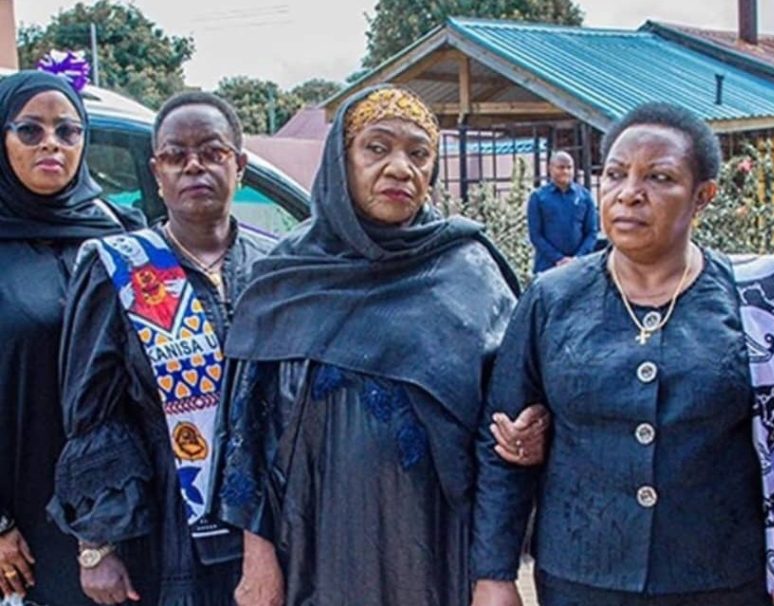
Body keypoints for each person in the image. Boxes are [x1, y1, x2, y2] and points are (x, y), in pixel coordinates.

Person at [471, 103, 774, 606]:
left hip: (721, 577)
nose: (629, 193)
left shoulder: (758, 301)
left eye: (659, 177)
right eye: (615, 174)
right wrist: (493, 573)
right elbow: (502, 439)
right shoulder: (552, 299)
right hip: (582, 576)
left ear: (703, 196)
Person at [218, 86, 542, 606]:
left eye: (418, 153)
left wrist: (494, 573)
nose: (399, 168)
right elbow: (247, 436)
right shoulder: (286, 278)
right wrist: (257, 559)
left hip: (437, 555)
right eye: (376, 147)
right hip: (310, 553)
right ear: (340, 159)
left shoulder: (471, 276)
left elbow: (506, 435)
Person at [48, 91, 274, 606]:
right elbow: (92, 413)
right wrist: (96, 545)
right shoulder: (121, 269)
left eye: (212, 152)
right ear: (157, 172)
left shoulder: (277, 267)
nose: (194, 166)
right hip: (167, 522)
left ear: (239, 165)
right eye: (176, 155)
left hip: (269, 518)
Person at [0, 70, 143, 605]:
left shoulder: (121, 235)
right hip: (22, 524)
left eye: (68, 130)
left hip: (121, 510)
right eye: (30, 130)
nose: (51, 144)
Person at [526, 151, 598, 273]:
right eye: (561, 167)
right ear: (550, 168)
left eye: (569, 167)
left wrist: (577, 259)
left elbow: (592, 233)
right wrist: (558, 258)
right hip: (547, 267)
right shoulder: (538, 197)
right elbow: (535, 235)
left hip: (579, 268)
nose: (565, 172)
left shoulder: (585, 197)